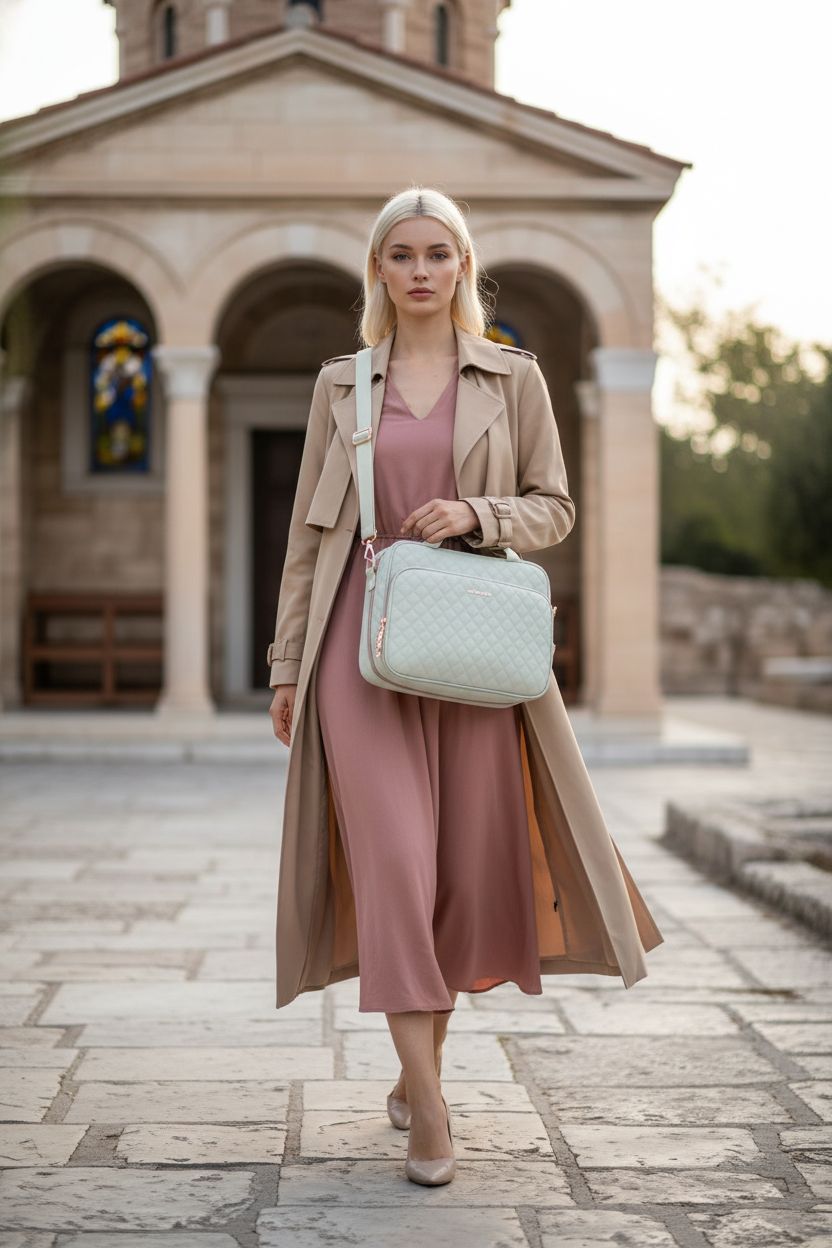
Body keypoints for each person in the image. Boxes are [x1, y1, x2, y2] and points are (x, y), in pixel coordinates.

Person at [268, 184, 663, 1187]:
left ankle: (414, 1071)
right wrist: (285, 669)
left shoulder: (514, 379)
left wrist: (476, 515)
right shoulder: (338, 387)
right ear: (378, 271)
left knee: (452, 877)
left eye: (436, 254)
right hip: (359, 653)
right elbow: (308, 546)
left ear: (461, 267)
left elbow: (556, 507)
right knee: (396, 865)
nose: (418, 272)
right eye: (399, 255)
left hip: (473, 654)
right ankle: (430, 1106)